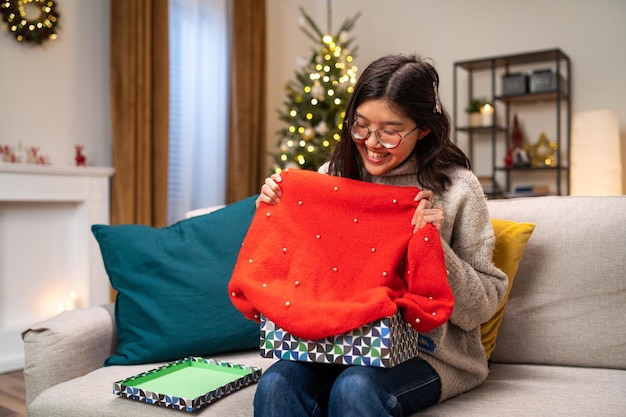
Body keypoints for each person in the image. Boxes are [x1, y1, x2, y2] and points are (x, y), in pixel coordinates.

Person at [253, 54, 508, 417]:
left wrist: (433, 248)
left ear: (423, 129)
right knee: (276, 383)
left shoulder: (458, 189)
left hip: (430, 354)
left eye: (390, 130)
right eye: (361, 126)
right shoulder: (332, 177)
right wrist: (276, 210)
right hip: (337, 342)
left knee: (356, 388)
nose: (372, 142)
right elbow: (300, 269)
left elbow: (482, 308)